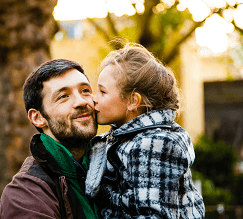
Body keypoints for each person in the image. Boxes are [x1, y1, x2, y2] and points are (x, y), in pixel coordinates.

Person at [85, 44, 205, 218]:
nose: (94, 99)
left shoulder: (155, 144)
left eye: (102, 91)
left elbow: (155, 215)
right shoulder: (123, 137)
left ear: (133, 101)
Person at [0, 59, 99, 219]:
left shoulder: (115, 166)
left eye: (85, 90)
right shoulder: (25, 194)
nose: (81, 101)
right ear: (38, 117)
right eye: (63, 96)